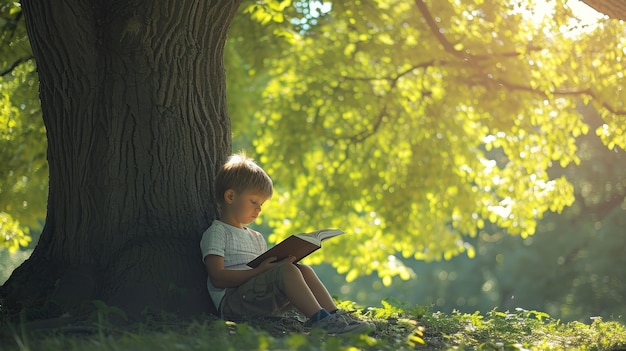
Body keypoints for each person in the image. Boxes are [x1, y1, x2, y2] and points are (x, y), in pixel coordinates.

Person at [200, 152, 372, 334]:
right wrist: (261, 271)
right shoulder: (218, 231)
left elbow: (266, 275)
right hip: (234, 303)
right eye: (254, 201)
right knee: (287, 270)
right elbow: (218, 278)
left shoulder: (256, 237)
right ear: (230, 197)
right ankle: (323, 322)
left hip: (256, 298)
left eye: (262, 204)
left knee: (302, 269)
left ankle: (336, 316)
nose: (258, 209)